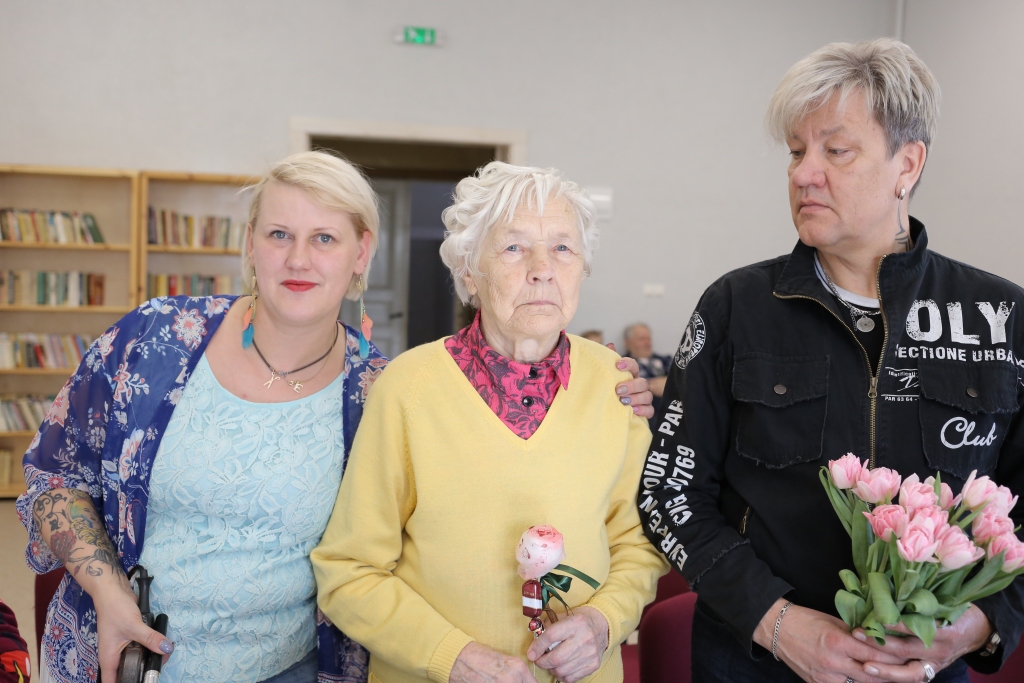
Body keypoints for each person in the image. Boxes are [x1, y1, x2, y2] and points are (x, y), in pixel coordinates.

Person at [17, 153, 654, 683]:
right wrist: (108, 593)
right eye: (279, 235)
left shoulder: (372, 382)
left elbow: (634, 539)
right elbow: (52, 475)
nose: (300, 259)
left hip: (292, 667)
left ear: (360, 254)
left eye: (325, 237)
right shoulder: (157, 340)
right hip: (126, 660)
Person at [638, 38, 1024, 683]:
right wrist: (779, 623)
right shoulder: (735, 306)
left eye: (835, 151)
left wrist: (976, 626)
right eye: (796, 151)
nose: (802, 172)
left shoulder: (1001, 317)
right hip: (752, 663)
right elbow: (668, 492)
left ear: (908, 163)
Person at [312, 162, 667, 683]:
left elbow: (637, 547)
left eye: (563, 248)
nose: (543, 268)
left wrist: (603, 622)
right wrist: (453, 657)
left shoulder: (615, 385)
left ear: (582, 268)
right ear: (469, 274)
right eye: (514, 248)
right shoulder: (409, 389)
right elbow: (348, 572)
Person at [622, 323, 672, 430]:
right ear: (628, 343)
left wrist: (668, 384)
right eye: (641, 339)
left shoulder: (666, 360)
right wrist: (650, 385)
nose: (647, 343)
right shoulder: (623, 364)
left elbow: (684, 379)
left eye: (649, 338)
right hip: (647, 417)